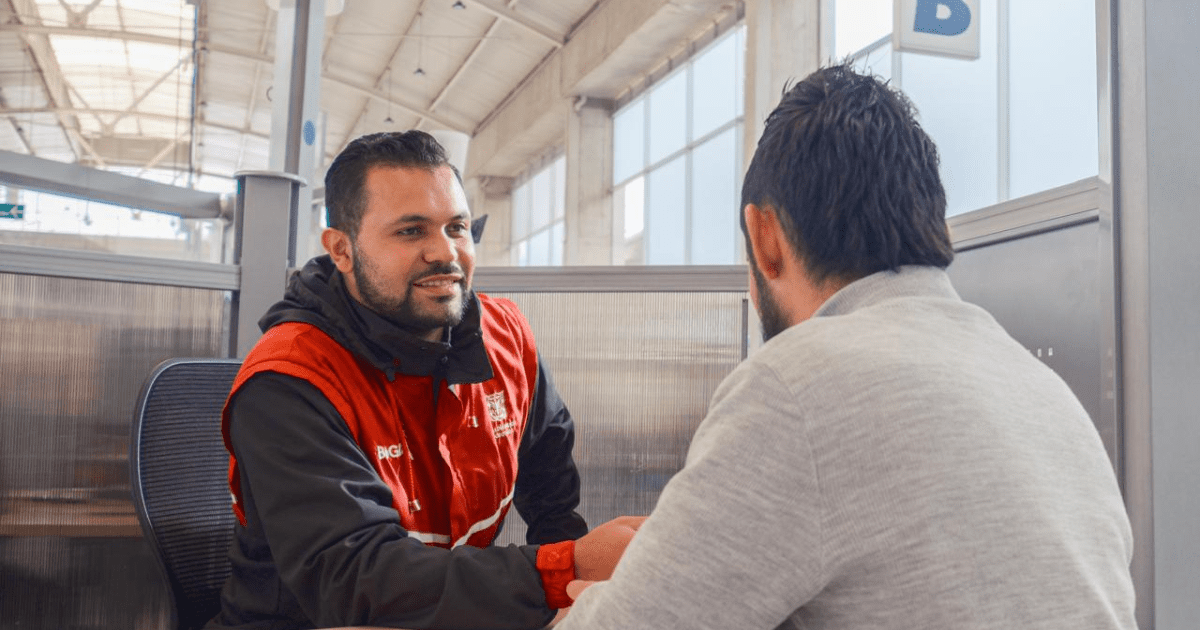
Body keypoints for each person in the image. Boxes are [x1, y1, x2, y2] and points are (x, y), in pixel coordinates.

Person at [556, 64, 1137, 629]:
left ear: (765, 239)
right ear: (933, 223)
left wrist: (583, 603)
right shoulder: (1040, 388)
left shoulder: (796, 386)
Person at [208, 130, 640, 630]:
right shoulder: (290, 381)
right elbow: (357, 581)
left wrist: (572, 589)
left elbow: (550, 478)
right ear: (342, 250)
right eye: (411, 231)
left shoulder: (506, 336)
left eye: (456, 227)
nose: (445, 252)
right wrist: (564, 567)